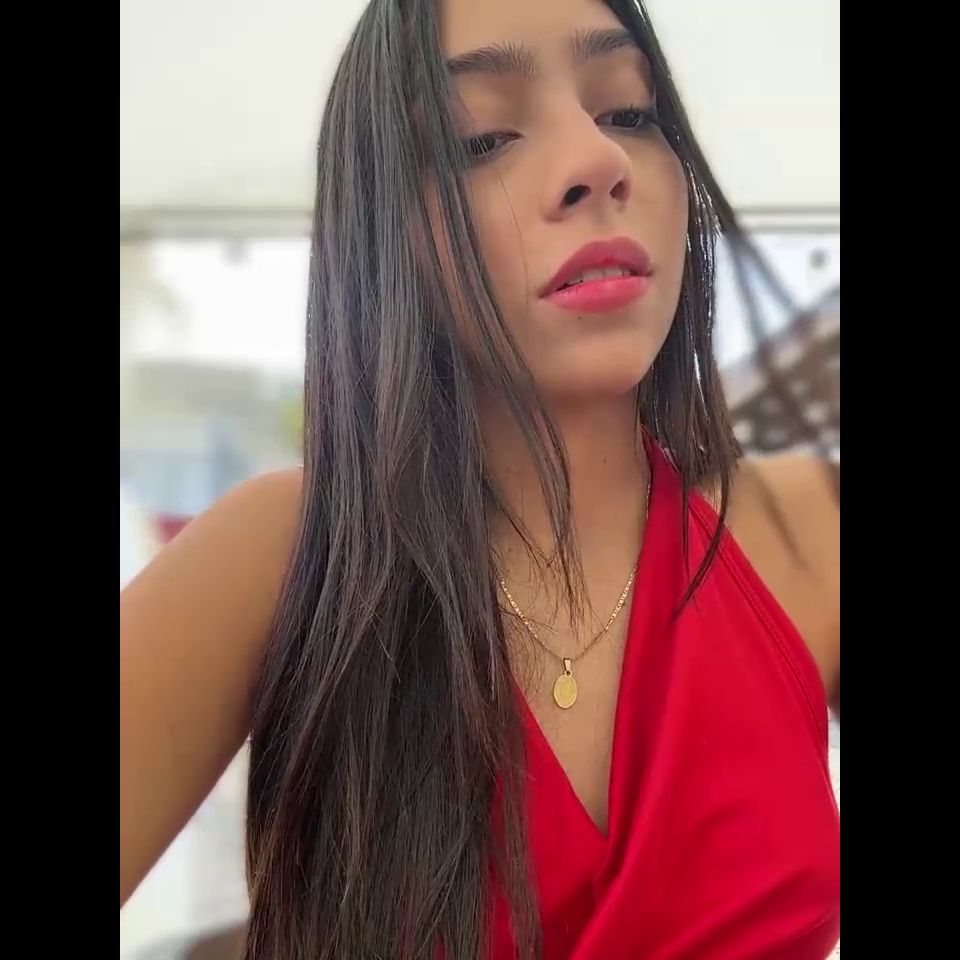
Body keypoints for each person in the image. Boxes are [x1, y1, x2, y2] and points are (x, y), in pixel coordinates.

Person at [119, 0, 840, 956]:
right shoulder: (286, 556)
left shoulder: (808, 533)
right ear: (387, 235)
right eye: (484, 138)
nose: (598, 160)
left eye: (629, 112)